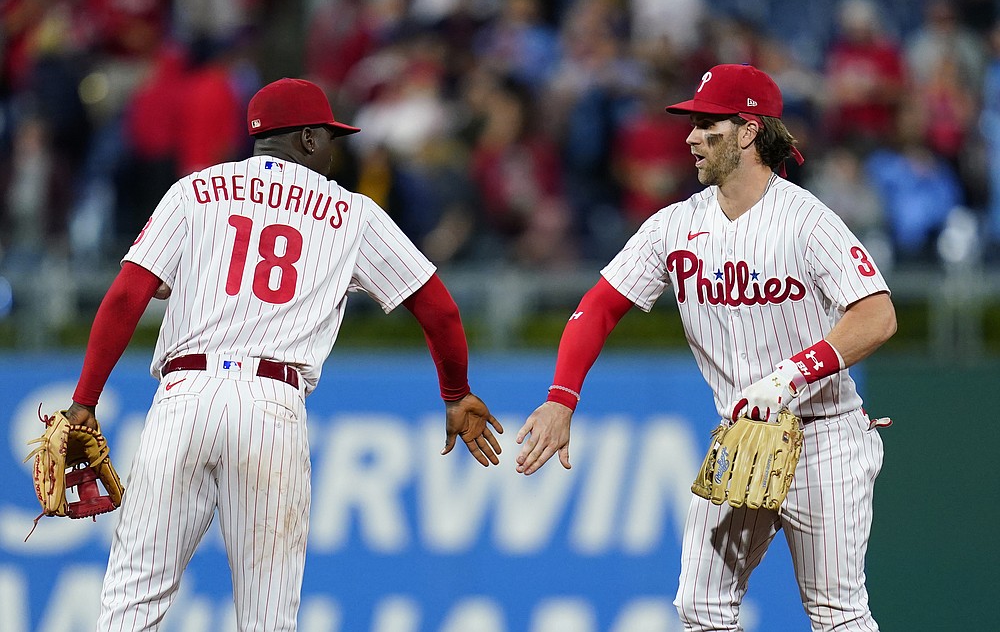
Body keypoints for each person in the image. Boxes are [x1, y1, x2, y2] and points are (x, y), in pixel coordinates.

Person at [61, 77, 504, 630]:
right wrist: (455, 392)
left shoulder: (194, 190)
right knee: (268, 617)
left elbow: (126, 294)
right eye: (330, 135)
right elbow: (440, 311)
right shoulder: (351, 214)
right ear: (309, 140)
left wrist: (84, 401)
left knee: (131, 600)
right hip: (271, 409)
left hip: (183, 399)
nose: (336, 148)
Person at [515, 64, 897, 631]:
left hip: (826, 438)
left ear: (747, 131)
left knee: (838, 614)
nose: (690, 138)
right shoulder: (674, 225)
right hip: (741, 439)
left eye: (706, 125)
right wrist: (561, 397)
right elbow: (597, 306)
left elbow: (877, 314)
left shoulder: (806, 220)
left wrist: (789, 376)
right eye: (692, 125)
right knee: (701, 608)